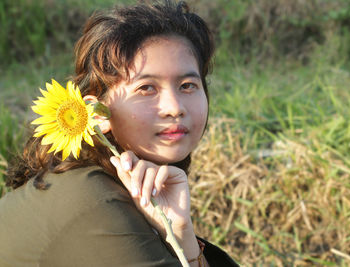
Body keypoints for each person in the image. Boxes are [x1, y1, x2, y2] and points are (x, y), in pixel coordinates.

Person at [0, 1, 239, 266]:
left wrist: (181, 236)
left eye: (187, 85)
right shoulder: (95, 202)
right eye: (146, 88)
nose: (175, 108)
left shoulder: (110, 184)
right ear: (97, 113)